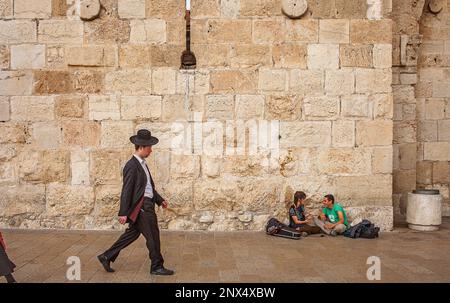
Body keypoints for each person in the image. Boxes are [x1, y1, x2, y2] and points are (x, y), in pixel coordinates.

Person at [97, 129, 174, 276]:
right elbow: (127, 190)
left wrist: (159, 200)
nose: (151, 150)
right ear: (142, 147)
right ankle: (156, 266)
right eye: (150, 147)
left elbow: (148, 188)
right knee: (153, 236)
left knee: (132, 234)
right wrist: (123, 213)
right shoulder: (131, 166)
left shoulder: (143, 164)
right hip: (143, 208)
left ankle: (106, 256)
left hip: (146, 205)